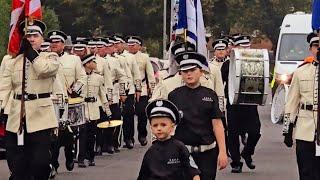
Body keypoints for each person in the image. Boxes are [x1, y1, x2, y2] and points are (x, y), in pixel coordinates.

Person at [0, 19, 60, 179]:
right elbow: (5, 86)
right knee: (16, 162)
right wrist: (2, 109)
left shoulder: (51, 57)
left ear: (42, 39)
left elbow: (43, 70)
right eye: (27, 35)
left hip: (41, 118)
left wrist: (32, 54)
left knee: (40, 162)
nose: (31, 39)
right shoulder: (12, 60)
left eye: (35, 35)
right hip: (16, 117)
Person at [168, 51, 228, 180]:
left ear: (201, 72)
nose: (189, 74)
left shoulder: (210, 95)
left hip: (207, 153)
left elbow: (217, 124)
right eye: (185, 71)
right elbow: (169, 126)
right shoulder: (174, 96)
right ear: (180, 74)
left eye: (192, 70)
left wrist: (223, 151)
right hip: (183, 153)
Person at [221, 35, 261, 173]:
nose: (246, 49)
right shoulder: (227, 64)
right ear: (235, 48)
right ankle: (236, 162)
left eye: (247, 46)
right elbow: (222, 84)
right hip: (234, 105)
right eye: (242, 46)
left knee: (255, 132)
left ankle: (247, 153)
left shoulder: (256, 62)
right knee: (233, 134)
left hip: (250, 103)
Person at [48, 30, 86, 174]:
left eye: (57, 42)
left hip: (68, 101)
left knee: (69, 134)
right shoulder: (44, 58)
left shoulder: (73, 59)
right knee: (53, 136)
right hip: (51, 102)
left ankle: (70, 155)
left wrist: (74, 90)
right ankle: (53, 164)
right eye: (52, 42)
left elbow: (82, 78)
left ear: (63, 44)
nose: (54, 44)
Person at [283, 32, 320, 180]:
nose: (319, 49)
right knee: (305, 171)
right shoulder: (301, 71)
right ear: (311, 49)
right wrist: (287, 129)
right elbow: (291, 102)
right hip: (305, 128)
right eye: (316, 46)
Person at [137, 99, 200, 180]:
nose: (159, 128)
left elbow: (193, 171)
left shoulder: (179, 147)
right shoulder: (150, 152)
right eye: (155, 125)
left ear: (172, 127)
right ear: (151, 128)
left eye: (163, 125)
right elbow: (143, 176)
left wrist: (195, 176)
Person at [79, 54, 111, 167]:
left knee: (92, 135)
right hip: (82, 108)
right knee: (82, 135)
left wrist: (107, 111)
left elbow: (102, 95)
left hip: (93, 109)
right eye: (93, 61)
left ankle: (91, 157)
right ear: (87, 64)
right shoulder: (79, 76)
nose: (95, 64)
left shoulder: (98, 77)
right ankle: (81, 158)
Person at [113, 35, 142, 149]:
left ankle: (128, 138)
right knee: (116, 116)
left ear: (122, 44)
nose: (116, 46)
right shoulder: (111, 57)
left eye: (118, 43)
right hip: (115, 90)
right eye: (114, 44)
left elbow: (136, 74)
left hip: (128, 89)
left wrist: (138, 89)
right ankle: (115, 140)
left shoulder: (129, 57)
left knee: (128, 115)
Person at [127, 36, 156, 146]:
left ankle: (142, 135)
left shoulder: (144, 57)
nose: (130, 47)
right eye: (129, 45)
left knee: (142, 113)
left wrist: (152, 91)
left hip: (142, 88)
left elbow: (150, 75)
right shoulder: (124, 56)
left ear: (139, 46)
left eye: (133, 45)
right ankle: (128, 138)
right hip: (128, 88)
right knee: (128, 114)